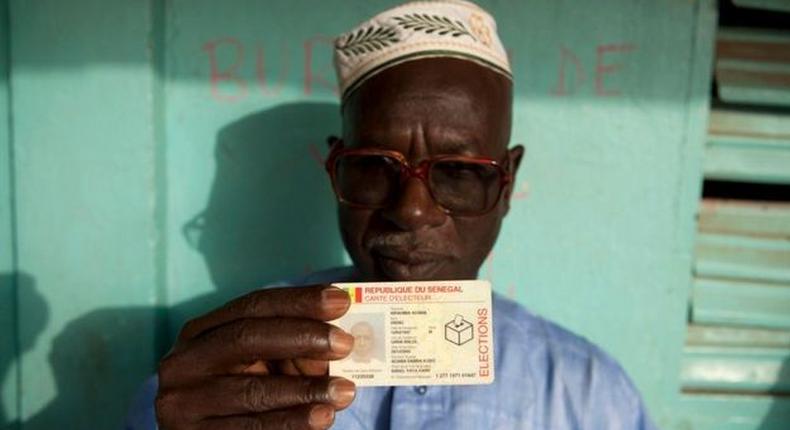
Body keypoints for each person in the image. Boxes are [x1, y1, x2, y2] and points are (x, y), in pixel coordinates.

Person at [125, 1, 657, 429]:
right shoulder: (223, 376)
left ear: (507, 181)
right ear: (336, 169)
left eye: (459, 172)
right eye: (374, 167)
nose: (412, 211)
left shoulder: (591, 395)